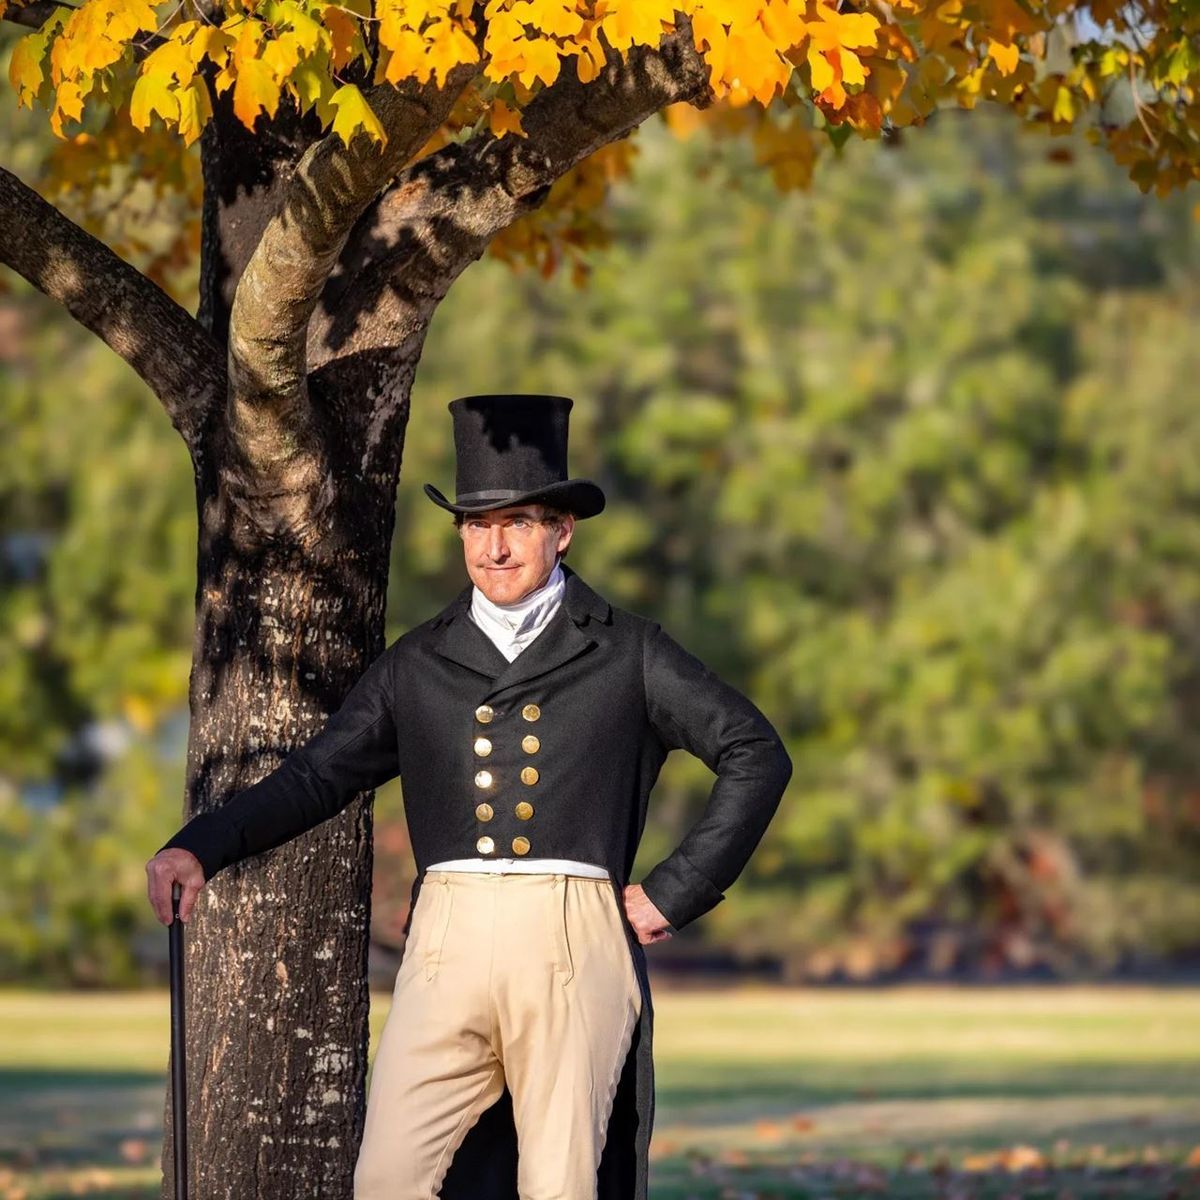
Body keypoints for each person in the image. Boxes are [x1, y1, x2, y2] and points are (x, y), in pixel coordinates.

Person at [145, 392, 793, 1200]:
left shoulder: (628, 652)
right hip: (445, 937)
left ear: (561, 531)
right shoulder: (418, 663)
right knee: (387, 1177)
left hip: (572, 933)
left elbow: (754, 752)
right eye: (476, 524)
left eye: (517, 522)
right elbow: (317, 776)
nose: (494, 546)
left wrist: (677, 890)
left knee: (562, 1184)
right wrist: (200, 845)